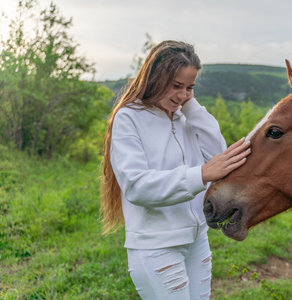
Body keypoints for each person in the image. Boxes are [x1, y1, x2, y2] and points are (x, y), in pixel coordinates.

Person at [100, 40, 251, 300]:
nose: (182, 95)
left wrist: (191, 108)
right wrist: (200, 175)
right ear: (155, 78)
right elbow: (137, 186)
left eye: (190, 87)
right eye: (176, 86)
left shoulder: (185, 115)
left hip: (196, 240)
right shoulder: (129, 118)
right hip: (155, 247)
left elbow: (218, 156)